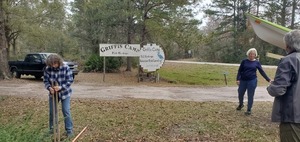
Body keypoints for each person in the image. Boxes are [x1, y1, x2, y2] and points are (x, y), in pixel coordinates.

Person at [267, 30, 300, 142]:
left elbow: (278, 89)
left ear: (288, 45)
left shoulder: (289, 60)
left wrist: (270, 86)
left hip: (292, 115)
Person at [43, 54, 74, 137]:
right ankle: (52, 130)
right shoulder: (47, 69)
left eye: (55, 63)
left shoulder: (66, 67)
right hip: (53, 94)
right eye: (51, 64)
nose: (53, 65)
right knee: (52, 112)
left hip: (65, 93)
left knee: (66, 111)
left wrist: (60, 87)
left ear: (58, 61)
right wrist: (49, 88)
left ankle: (69, 130)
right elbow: (45, 81)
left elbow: (70, 80)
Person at [236, 48, 271, 115]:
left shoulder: (256, 62)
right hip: (243, 80)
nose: (251, 55)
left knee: (250, 95)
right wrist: (238, 79)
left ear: (255, 55)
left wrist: (268, 79)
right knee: (240, 93)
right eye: (250, 54)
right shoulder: (244, 61)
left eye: (253, 54)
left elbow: (261, 71)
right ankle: (241, 104)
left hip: (252, 80)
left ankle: (249, 109)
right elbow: (240, 71)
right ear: (248, 54)